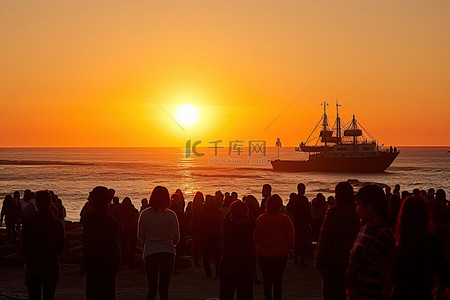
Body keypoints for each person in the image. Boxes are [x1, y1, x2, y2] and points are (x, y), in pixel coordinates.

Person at [393, 196, 450, 299]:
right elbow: (445, 276)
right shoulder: (431, 241)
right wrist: (437, 295)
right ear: (425, 215)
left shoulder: (399, 243)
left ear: (404, 216)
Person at [346, 185, 396, 300]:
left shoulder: (383, 236)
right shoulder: (364, 229)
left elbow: (390, 277)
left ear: (371, 206)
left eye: (359, 204)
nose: (356, 209)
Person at [315, 182, 360, 300]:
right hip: (353, 263)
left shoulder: (333, 213)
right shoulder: (359, 214)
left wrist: (319, 261)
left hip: (333, 264)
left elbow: (324, 239)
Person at [138, 186, 180, 300]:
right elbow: (176, 237)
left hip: (150, 252)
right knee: (164, 289)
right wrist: (171, 242)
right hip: (167, 252)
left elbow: (140, 236)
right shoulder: (171, 215)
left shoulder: (144, 214)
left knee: (151, 289)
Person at [22, 190, 64, 300]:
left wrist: (27, 261)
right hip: (51, 265)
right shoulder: (57, 225)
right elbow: (60, 247)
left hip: (34, 265)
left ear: (36, 204)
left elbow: (25, 246)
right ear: (50, 204)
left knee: (34, 296)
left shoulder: (28, 223)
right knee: (49, 296)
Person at [82, 186, 120, 300]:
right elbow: (115, 246)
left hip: (93, 263)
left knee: (93, 293)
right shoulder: (113, 222)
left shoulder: (88, 219)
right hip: (109, 263)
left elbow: (86, 243)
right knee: (109, 293)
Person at [255, 194, 295, 300]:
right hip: (281, 254)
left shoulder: (261, 219)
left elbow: (256, 237)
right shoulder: (285, 219)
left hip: (264, 254)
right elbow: (290, 236)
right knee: (278, 281)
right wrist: (290, 247)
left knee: (267, 281)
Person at [220, 201, 256, 300]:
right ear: (246, 213)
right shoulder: (250, 227)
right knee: (246, 294)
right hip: (246, 263)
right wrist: (248, 213)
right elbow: (254, 221)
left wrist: (231, 212)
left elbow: (225, 218)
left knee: (226, 294)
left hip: (228, 263)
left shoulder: (227, 225)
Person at [286, 183, 311, 265]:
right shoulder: (302, 199)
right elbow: (289, 208)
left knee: (298, 241)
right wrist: (296, 214)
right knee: (301, 241)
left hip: (299, 221)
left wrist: (295, 214)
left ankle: (298, 259)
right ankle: (300, 260)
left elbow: (288, 208)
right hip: (301, 222)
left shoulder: (296, 198)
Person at [200, 195, 223, 278]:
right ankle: (218, 272)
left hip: (206, 235)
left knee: (206, 255)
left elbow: (201, 223)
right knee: (217, 255)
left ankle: (208, 273)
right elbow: (220, 222)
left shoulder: (204, 211)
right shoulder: (217, 210)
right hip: (215, 234)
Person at [117, 197, 139, 268]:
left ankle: (122, 262)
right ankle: (131, 263)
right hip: (132, 230)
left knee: (123, 246)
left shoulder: (120, 209)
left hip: (124, 230)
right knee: (132, 247)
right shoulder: (133, 210)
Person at [190, 191, 204, 267]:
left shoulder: (193, 205)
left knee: (195, 243)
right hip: (198, 225)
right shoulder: (199, 206)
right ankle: (196, 260)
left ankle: (195, 258)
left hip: (193, 224)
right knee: (197, 243)